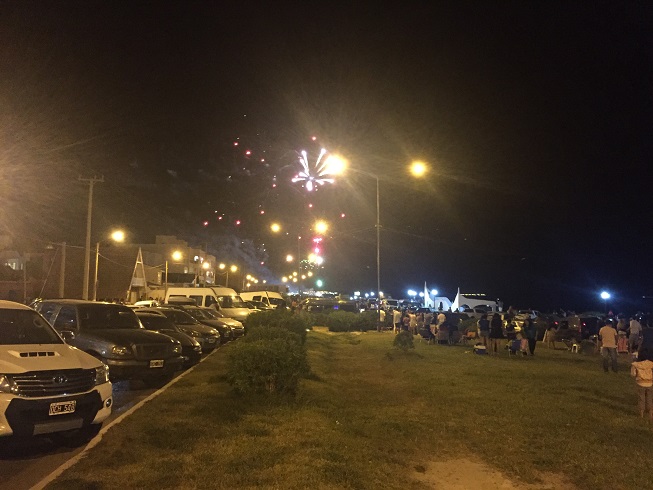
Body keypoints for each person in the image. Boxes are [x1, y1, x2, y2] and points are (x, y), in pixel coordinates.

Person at [630, 347, 653, 420]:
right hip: (650, 383)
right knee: (649, 398)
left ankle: (641, 414)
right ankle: (651, 413)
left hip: (640, 383)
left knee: (641, 398)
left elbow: (633, 374)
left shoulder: (636, 364)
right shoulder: (651, 364)